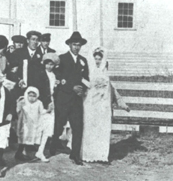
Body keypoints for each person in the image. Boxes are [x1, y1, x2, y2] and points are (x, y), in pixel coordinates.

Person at [80, 48, 130, 163]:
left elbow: (114, 92)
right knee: (90, 130)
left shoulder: (106, 78)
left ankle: (101, 155)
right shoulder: (88, 74)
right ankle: (88, 154)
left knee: (101, 131)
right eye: (95, 59)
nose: (97, 61)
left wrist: (123, 105)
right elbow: (82, 87)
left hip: (103, 109)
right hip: (91, 107)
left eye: (100, 59)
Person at [50, 32, 89, 166]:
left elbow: (86, 78)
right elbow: (58, 76)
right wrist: (71, 87)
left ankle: (75, 154)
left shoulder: (83, 60)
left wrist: (82, 88)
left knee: (78, 127)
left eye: (79, 45)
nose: (77, 47)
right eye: (74, 45)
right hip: (63, 98)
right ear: (69, 45)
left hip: (76, 100)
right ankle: (52, 146)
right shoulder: (62, 58)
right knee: (58, 125)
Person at [34, 53, 60, 161]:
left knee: (47, 128)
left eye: (51, 64)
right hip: (43, 103)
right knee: (39, 127)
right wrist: (46, 103)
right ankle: (36, 149)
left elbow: (54, 91)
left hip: (52, 103)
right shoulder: (40, 74)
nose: (49, 66)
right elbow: (40, 90)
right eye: (47, 64)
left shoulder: (54, 75)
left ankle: (40, 151)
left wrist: (57, 86)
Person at [15, 86, 44, 160]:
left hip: (34, 124)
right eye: (30, 95)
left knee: (33, 138)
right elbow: (17, 110)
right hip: (24, 123)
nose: (31, 98)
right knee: (23, 138)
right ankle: (19, 153)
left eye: (34, 96)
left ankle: (32, 153)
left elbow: (42, 112)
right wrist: (18, 103)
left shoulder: (39, 103)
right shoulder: (23, 102)